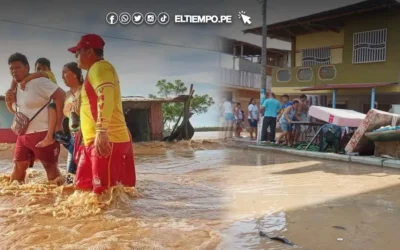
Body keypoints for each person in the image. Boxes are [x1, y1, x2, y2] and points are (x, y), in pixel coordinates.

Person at [68, 34, 136, 195]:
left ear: (89, 51)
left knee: (104, 194)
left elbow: (105, 94)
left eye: (77, 53)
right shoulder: (93, 72)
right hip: (92, 141)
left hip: (108, 139)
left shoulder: (100, 67)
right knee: (83, 189)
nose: (76, 57)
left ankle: (119, 221)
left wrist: (101, 130)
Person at [5, 53, 65, 184]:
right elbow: (16, 111)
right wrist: (9, 103)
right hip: (23, 135)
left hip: (43, 133)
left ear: (26, 67)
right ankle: (15, 201)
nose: (14, 71)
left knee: (50, 168)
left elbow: (61, 95)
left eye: (17, 67)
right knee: (19, 166)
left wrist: (58, 124)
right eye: (11, 69)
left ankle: (57, 201)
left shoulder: (40, 82)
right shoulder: (16, 88)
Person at [8, 58, 61, 149]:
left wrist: (25, 80)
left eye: (43, 68)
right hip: (46, 100)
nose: (40, 71)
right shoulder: (35, 80)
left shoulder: (48, 75)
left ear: (49, 69)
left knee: (51, 110)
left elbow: (39, 74)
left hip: (52, 101)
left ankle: (51, 135)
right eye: (38, 68)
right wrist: (11, 90)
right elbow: (15, 79)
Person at [54, 62, 83, 183]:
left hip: (85, 136)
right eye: (61, 73)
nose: (62, 76)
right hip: (72, 137)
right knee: (72, 176)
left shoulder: (85, 91)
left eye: (65, 72)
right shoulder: (66, 95)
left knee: (73, 175)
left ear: (75, 74)